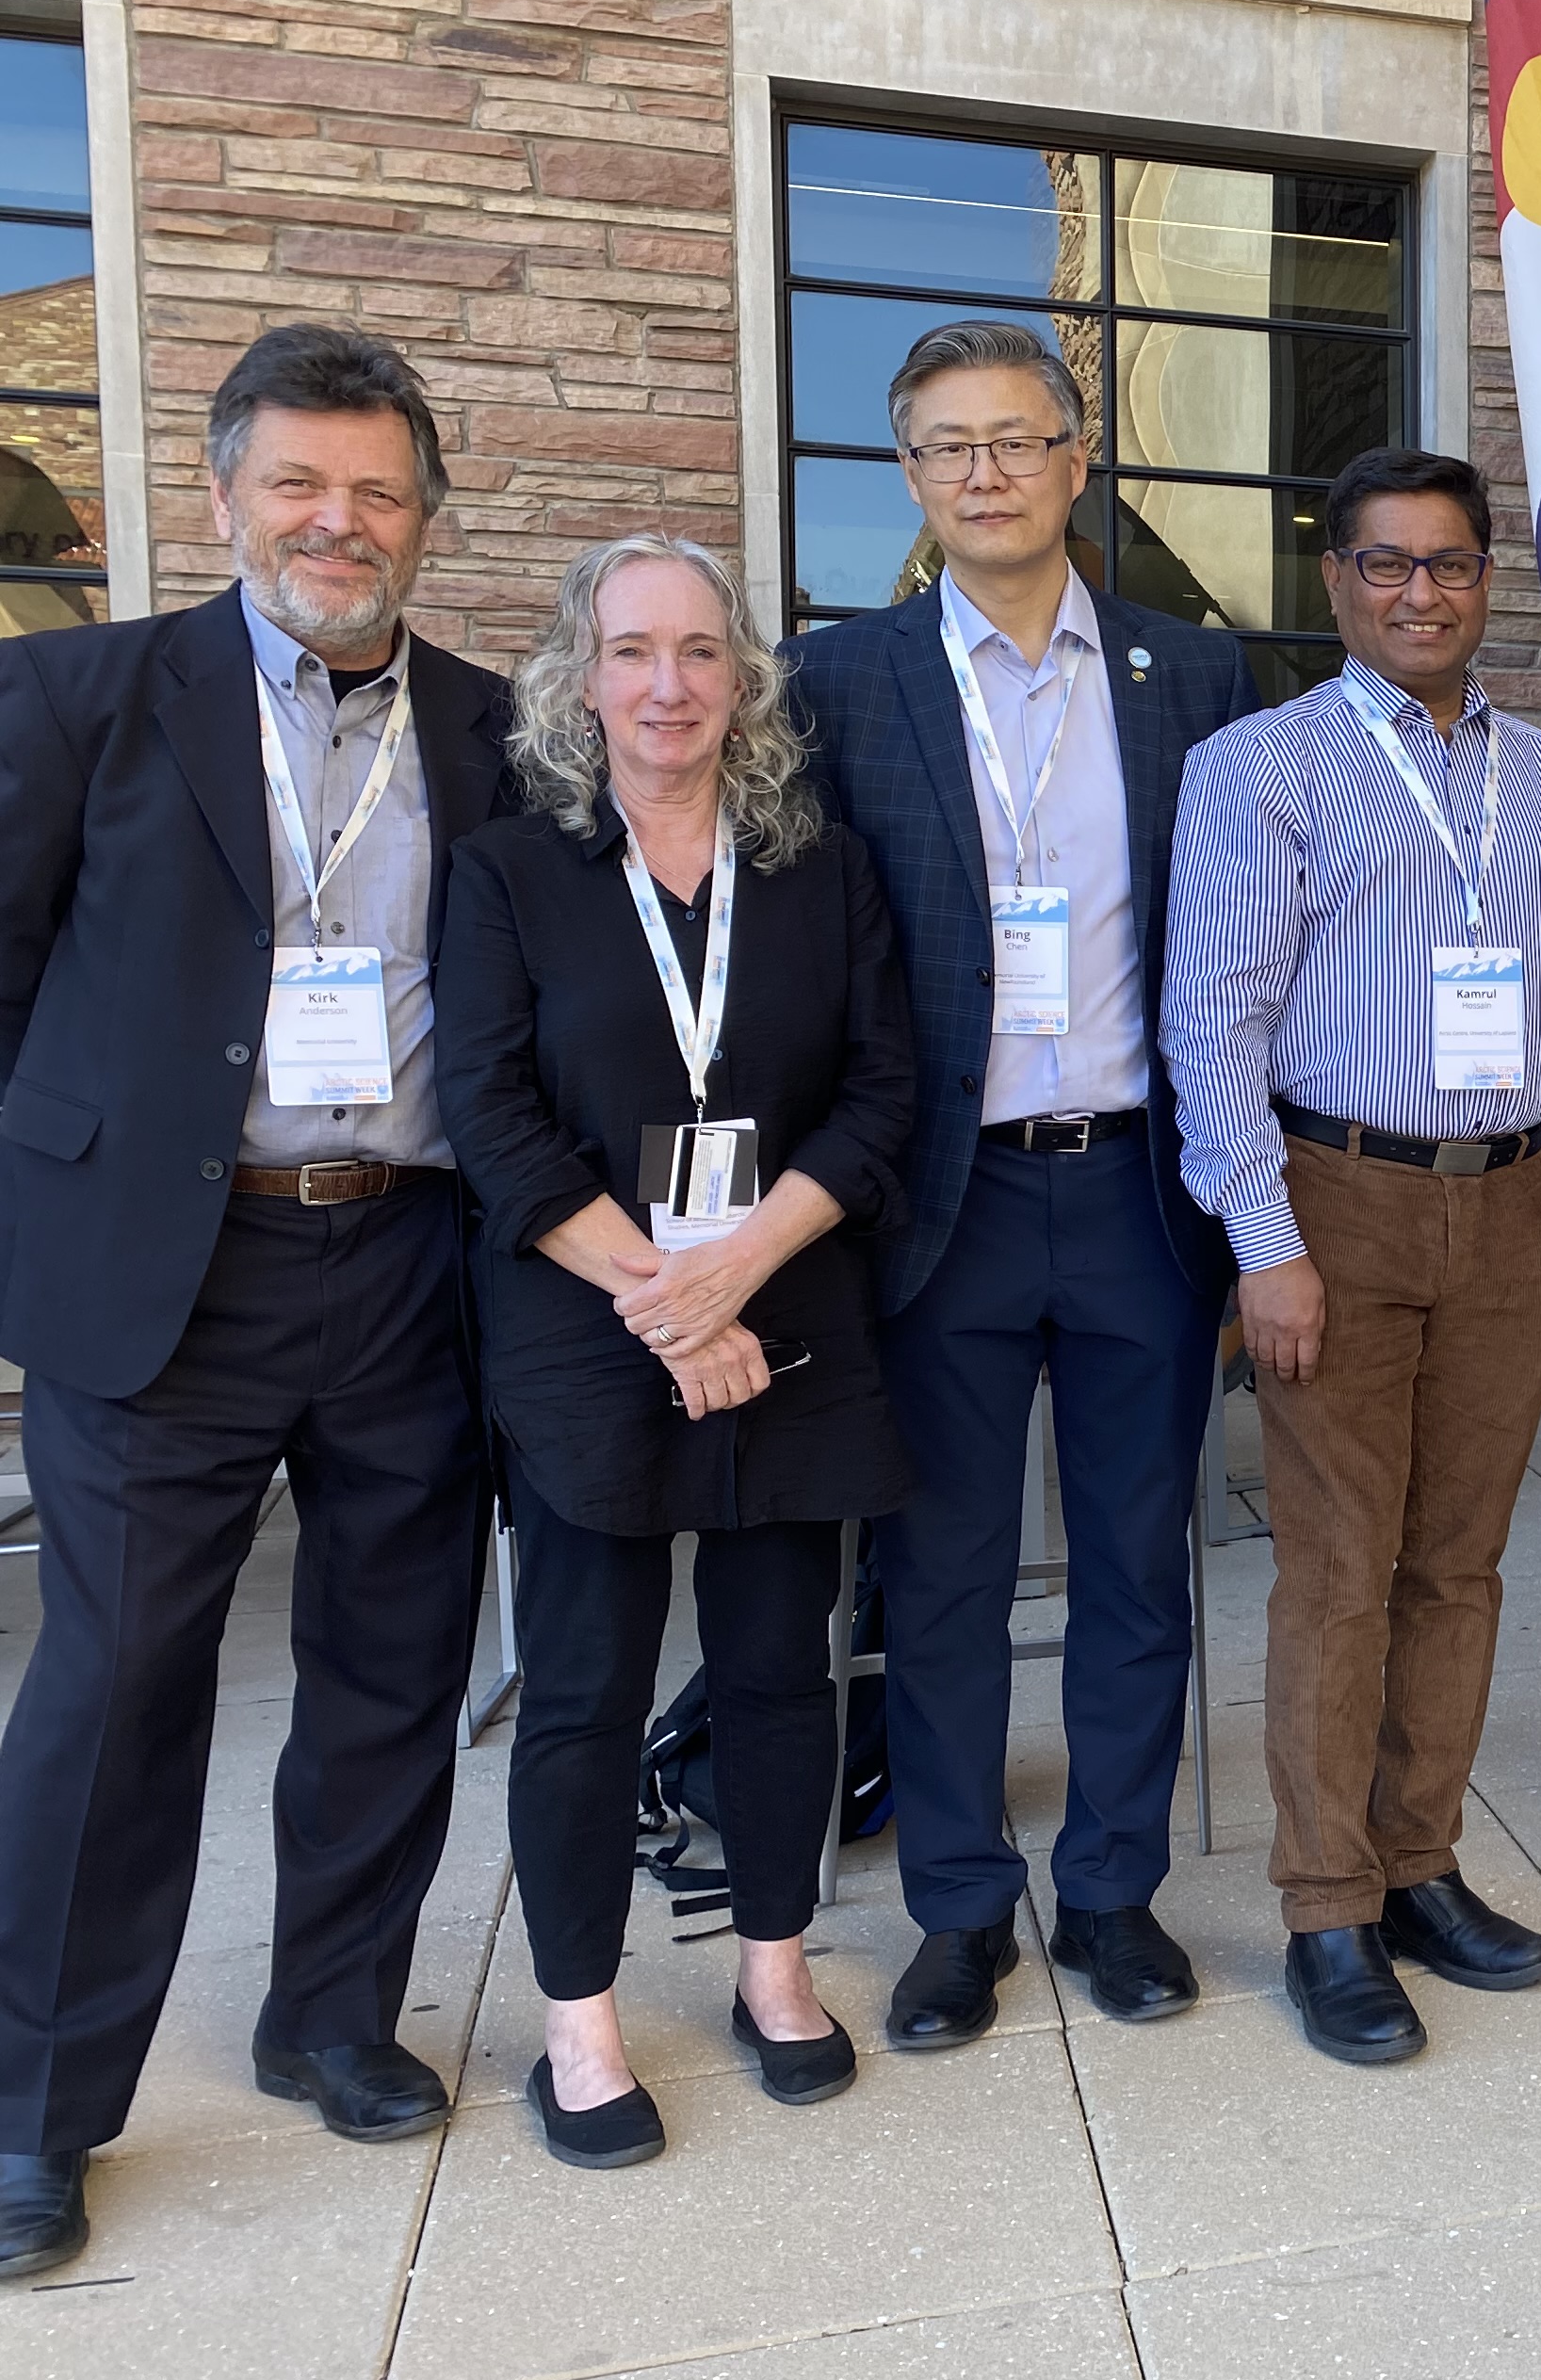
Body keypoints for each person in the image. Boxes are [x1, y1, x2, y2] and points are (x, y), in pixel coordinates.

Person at [0, 327, 511, 2279]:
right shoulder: (79, 700)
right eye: (299, 482)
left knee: (395, 1661)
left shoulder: (493, 731)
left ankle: (334, 2014)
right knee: (117, 1681)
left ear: (426, 519)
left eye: (378, 491)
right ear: (223, 497)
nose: (337, 522)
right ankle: (33, 2105)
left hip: (408, 1256)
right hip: (169, 1272)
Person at [780, 321, 1252, 2052]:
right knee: (945, 1577)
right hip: (941, 1205)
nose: (986, 473)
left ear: (1075, 461)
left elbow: (1240, 947)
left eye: (1017, 440)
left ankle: (1112, 1891)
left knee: (1137, 1566)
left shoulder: (1193, 676)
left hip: (1138, 1192)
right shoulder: (836, 682)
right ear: (910, 477)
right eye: (948, 447)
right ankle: (960, 1907)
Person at [437, 538, 915, 2167]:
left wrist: (738, 1275)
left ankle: (774, 1965)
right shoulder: (512, 874)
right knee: (582, 1689)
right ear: (582, 679)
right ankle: (579, 2021)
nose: (669, 684)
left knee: (780, 1668)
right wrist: (669, 1300)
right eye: (633, 651)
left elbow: (881, 1097)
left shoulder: (821, 871)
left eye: (701, 651)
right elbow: (490, 1113)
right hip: (587, 1332)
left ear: (744, 679)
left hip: (789, 1317)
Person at [1162, 445, 1541, 2066]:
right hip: (1336, 1202)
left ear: (1485, 582)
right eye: (1386, 563)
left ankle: (1420, 1864)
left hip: (1513, 1205)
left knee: (1459, 1563)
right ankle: (1328, 1907)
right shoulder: (1261, 767)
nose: (1419, 593)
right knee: (1340, 1568)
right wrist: (1265, 1241)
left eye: (1449, 564)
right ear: (1336, 581)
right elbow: (1214, 1020)